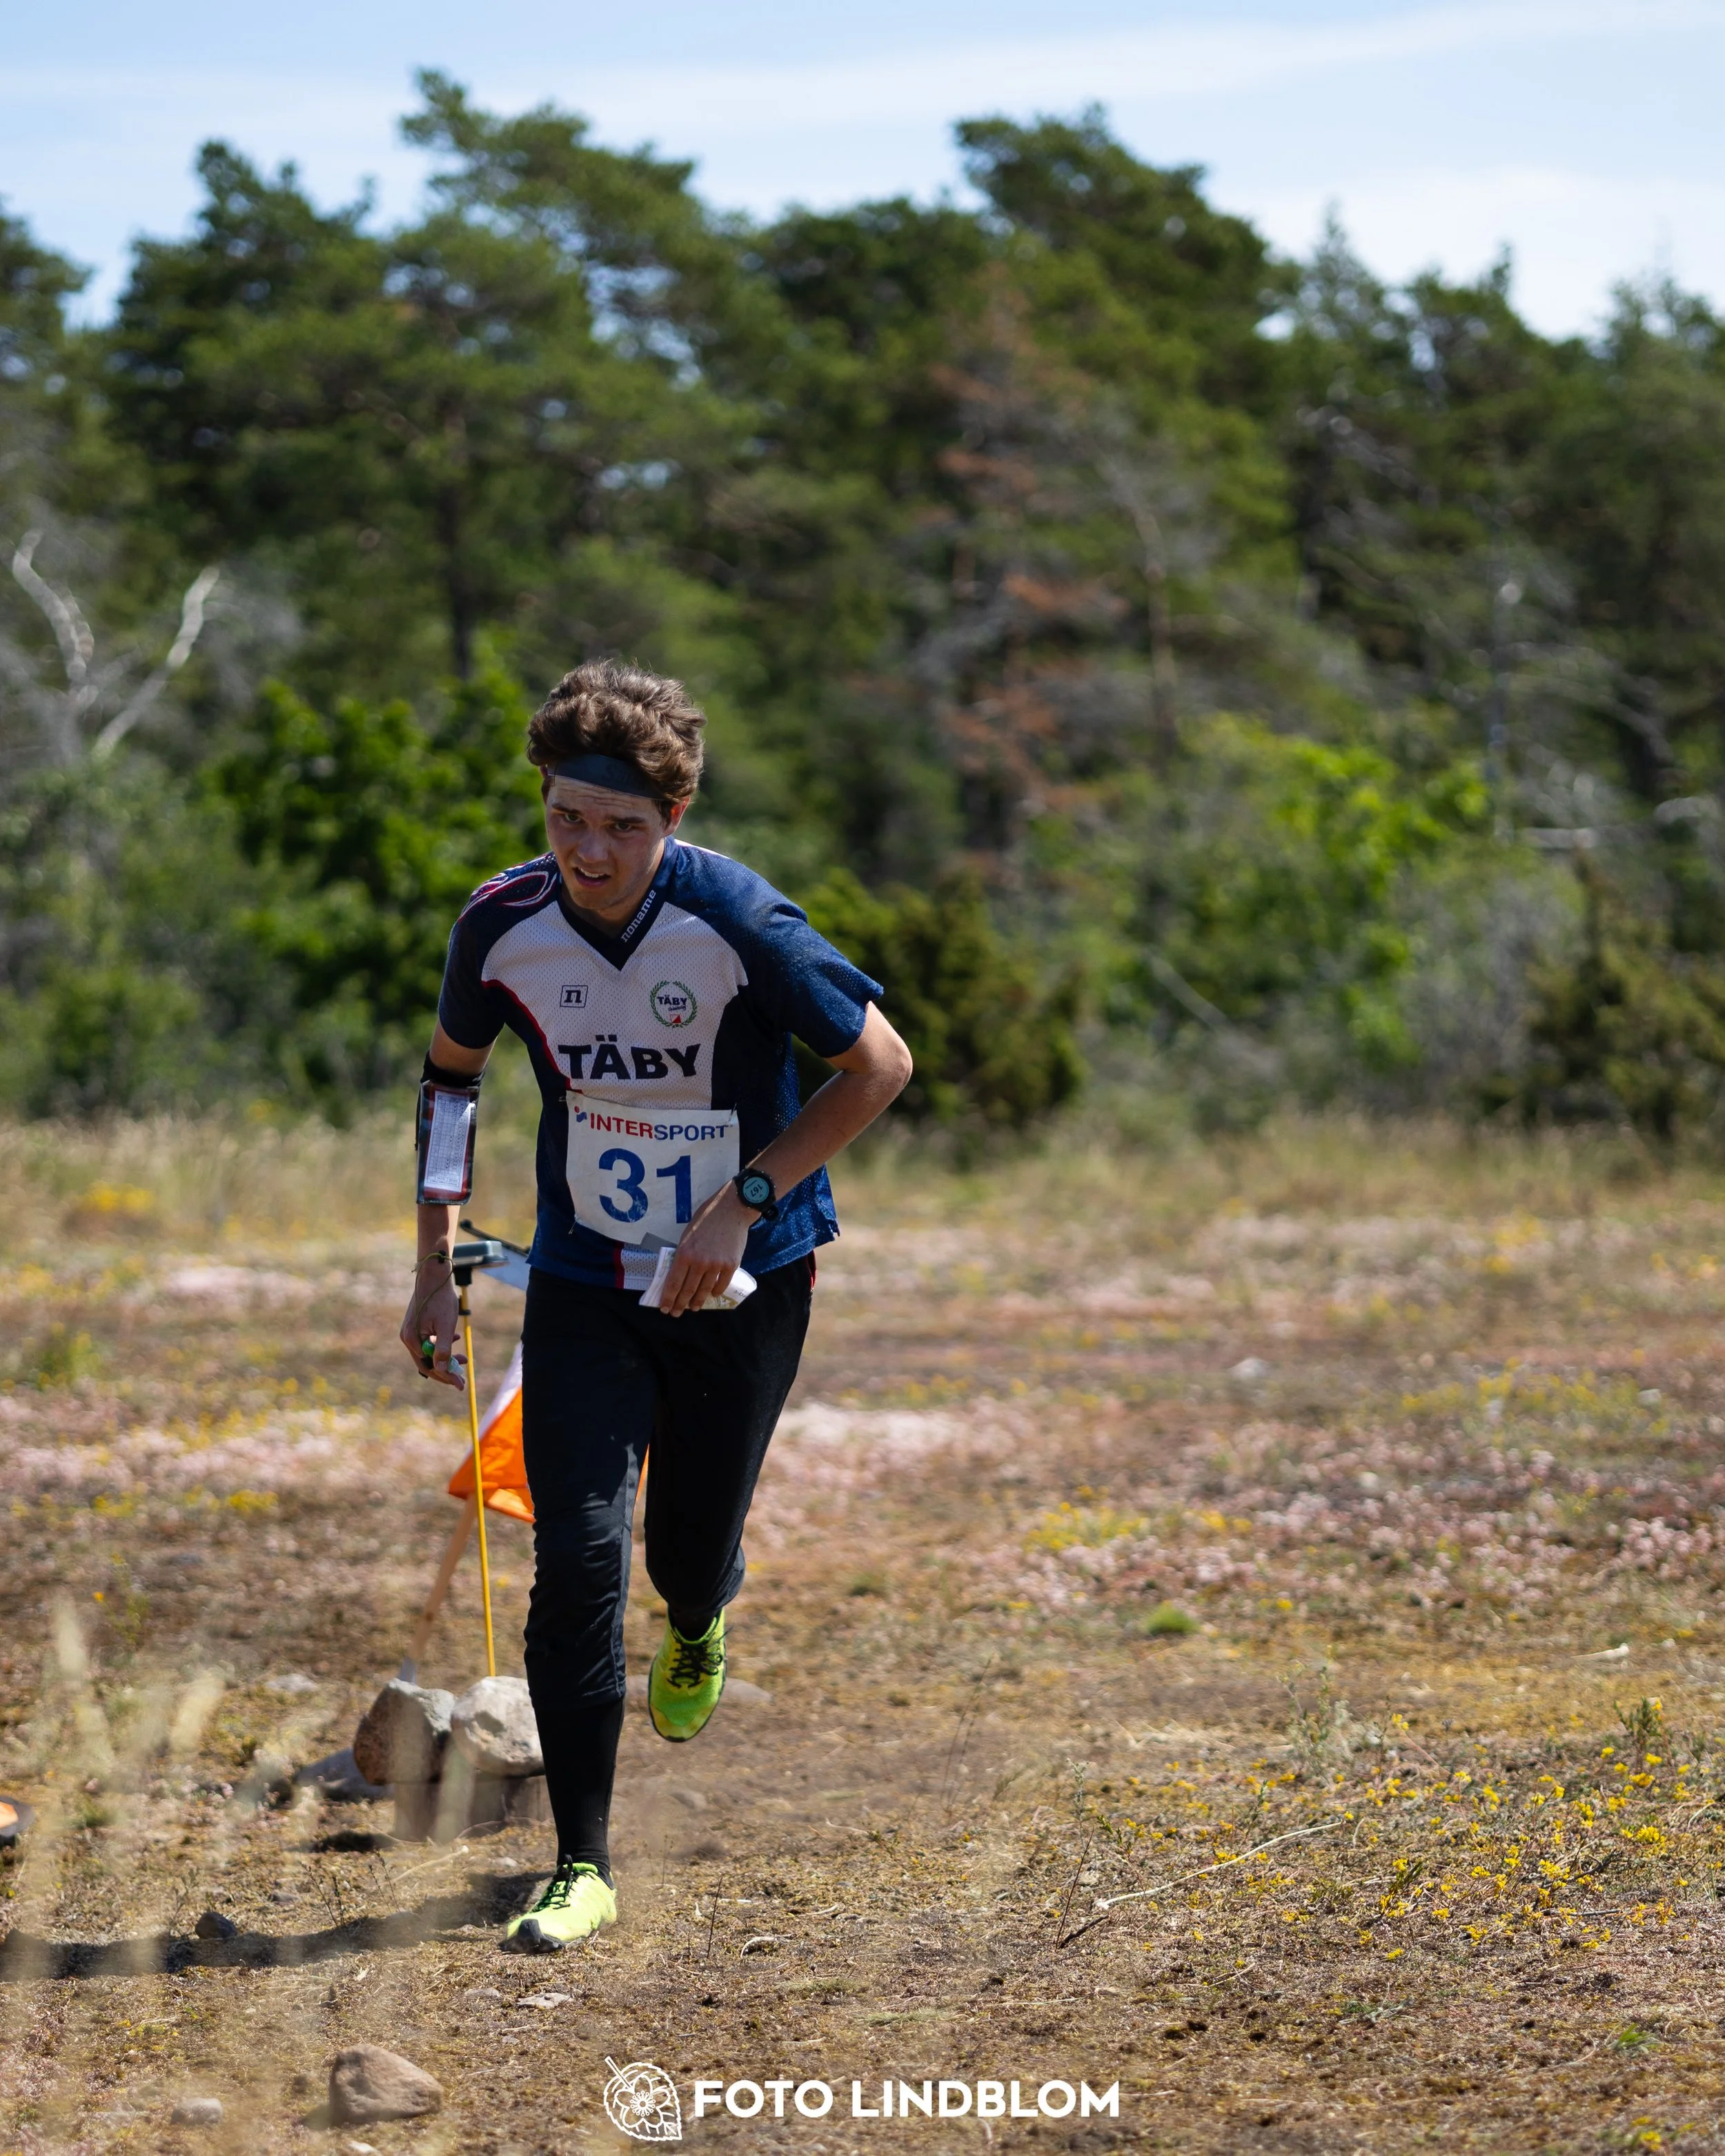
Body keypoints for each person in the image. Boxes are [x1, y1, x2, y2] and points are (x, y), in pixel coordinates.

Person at [399, 659, 912, 1952]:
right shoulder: (501, 926)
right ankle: (581, 1862)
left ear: (672, 821)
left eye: (622, 825)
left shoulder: (738, 919)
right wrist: (428, 1262)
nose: (590, 850)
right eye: (567, 818)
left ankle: (700, 1612)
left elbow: (879, 1067)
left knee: (682, 1550)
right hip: (583, 1276)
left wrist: (741, 1198)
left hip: (743, 1274)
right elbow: (451, 1085)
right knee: (572, 1559)